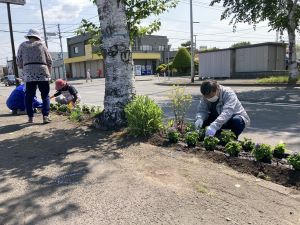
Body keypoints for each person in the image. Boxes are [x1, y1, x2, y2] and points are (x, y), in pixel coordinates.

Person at [16, 28, 52, 124]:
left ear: (29, 36)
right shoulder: (42, 45)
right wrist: (49, 73)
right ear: (37, 37)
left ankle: (30, 117)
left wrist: (25, 67)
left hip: (29, 72)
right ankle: (45, 116)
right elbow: (49, 61)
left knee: (29, 96)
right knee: (45, 95)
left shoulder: (22, 45)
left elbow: (19, 62)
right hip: (42, 71)